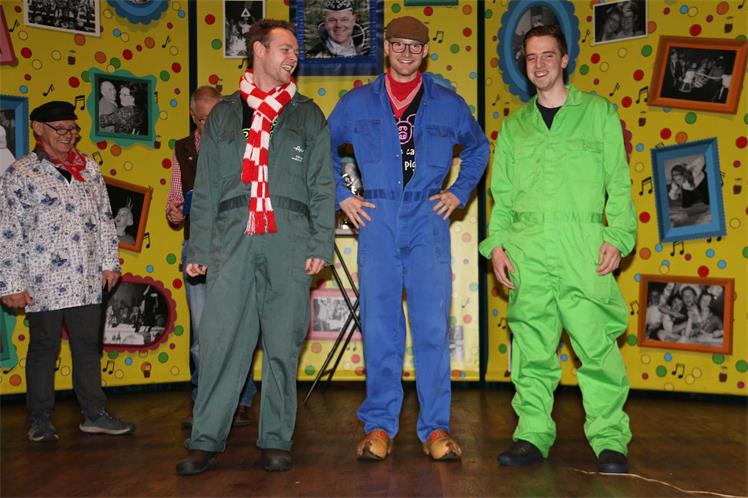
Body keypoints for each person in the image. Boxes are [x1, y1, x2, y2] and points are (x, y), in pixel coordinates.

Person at [175, 19, 335, 475]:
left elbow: (323, 185)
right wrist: (198, 249)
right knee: (221, 341)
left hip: (289, 237)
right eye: (285, 48)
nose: (293, 56)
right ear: (258, 50)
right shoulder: (224, 114)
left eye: (296, 50)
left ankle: (276, 438)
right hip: (231, 236)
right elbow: (205, 188)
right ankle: (206, 439)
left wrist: (320, 240)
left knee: (283, 343)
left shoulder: (307, 114)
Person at [328, 16, 489, 461]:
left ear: (425, 52)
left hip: (427, 220)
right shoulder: (356, 102)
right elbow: (321, 147)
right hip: (377, 218)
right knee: (381, 327)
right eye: (398, 44)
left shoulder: (449, 104)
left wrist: (458, 192)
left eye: (414, 46)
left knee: (432, 327)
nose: (405, 52)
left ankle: (435, 428)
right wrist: (344, 196)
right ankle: (379, 425)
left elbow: (478, 147)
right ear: (385, 47)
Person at [479, 25, 636, 473]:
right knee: (531, 350)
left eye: (548, 55)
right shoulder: (515, 127)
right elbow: (502, 197)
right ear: (524, 65)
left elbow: (618, 185)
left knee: (597, 348)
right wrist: (497, 247)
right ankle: (531, 434)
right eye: (531, 58)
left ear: (564, 59)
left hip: (583, 249)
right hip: (527, 251)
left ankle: (610, 439)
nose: (540, 65)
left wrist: (618, 237)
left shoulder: (599, 114)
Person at [0, 101, 135, 442]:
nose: (67, 135)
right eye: (59, 129)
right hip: (42, 279)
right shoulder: (21, 173)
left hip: (87, 277)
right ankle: (40, 418)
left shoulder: (88, 167)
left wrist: (110, 263)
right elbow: (8, 231)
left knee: (87, 346)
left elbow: (105, 219)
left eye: (72, 129)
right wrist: (10, 283)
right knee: (44, 347)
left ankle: (94, 413)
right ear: (38, 129)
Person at [165, 85, 258, 429]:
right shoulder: (183, 149)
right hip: (198, 245)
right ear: (194, 117)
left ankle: (242, 399)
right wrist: (175, 212)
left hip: (237, 244)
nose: (213, 123)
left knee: (240, 325)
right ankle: (203, 400)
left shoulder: (244, 142)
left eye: (219, 116)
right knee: (202, 333)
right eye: (205, 119)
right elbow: (174, 199)